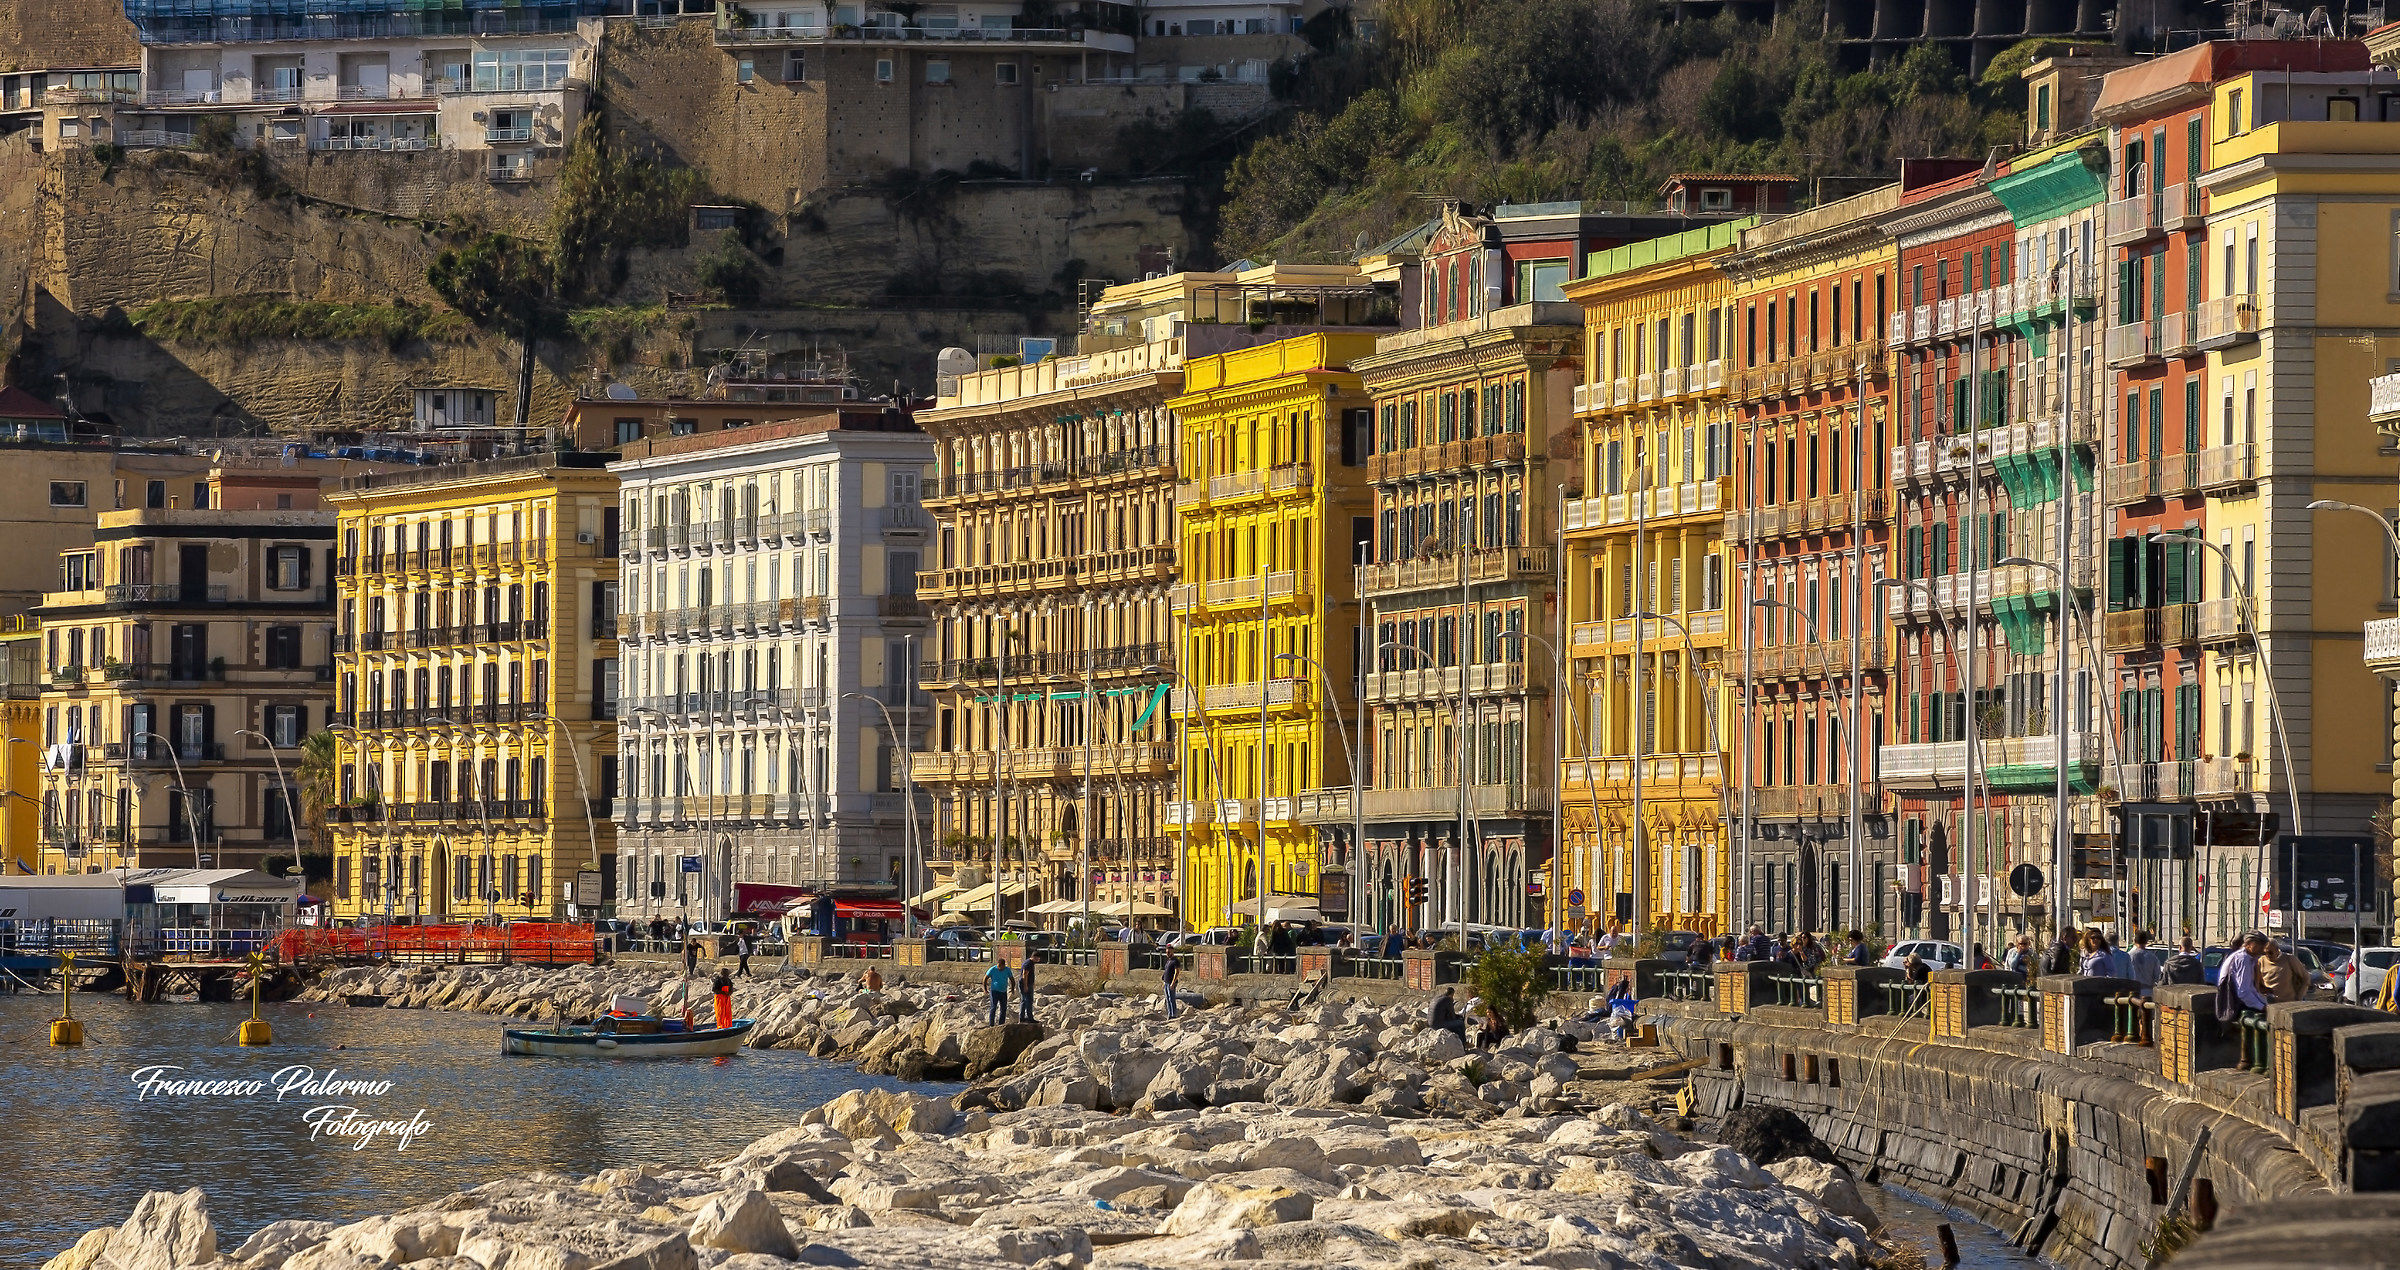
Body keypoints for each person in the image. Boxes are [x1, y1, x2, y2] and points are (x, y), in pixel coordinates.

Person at [2216, 932, 2275, 1024]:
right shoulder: (2243, 959)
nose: (2263, 949)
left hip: (2236, 1005)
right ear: (2249, 944)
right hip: (2236, 1007)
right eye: (2260, 945)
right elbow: (2243, 992)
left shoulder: (2247, 958)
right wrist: (2262, 1007)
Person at [2126, 930, 2163, 996]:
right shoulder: (2153, 957)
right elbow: (2158, 977)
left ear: (2134, 941)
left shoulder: (2129, 956)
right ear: (2146, 941)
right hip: (2148, 991)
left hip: (2133, 992)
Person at [983, 958, 1013, 1025]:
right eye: (998, 966)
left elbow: (1012, 979)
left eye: (1001, 966)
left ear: (1004, 965)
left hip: (1003, 992)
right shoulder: (993, 969)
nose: (999, 968)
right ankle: (991, 1024)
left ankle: (1001, 1024)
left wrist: (1012, 989)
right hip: (994, 991)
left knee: (1003, 1008)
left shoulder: (1007, 970)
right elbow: (985, 978)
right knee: (993, 1007)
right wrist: (985, 989)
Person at [1016, 948, 1038, 1022]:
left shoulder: (1030, 963)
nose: (1038, 960)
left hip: (1028, 983)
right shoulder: (1028, 963)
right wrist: (1025, 986)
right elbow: (1024, 974)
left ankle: (1022, 1018)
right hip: (1025, 983)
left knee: (1024, 1001)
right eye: (1037, 958)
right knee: (1028, 1001)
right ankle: (1029, 1017)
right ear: (1034, 957)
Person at [1160, 948, 1182, 1019]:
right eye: (1166, 952)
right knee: (1167, 999)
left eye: (1169, 952)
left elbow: (1177, 972)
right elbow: (1166, 971)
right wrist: (1163, 980)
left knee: (1171, 998)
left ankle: (1174, 1014)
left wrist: (1173, 982)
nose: (1167, 954)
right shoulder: (1168, 961)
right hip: (1166, 982)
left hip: (1171, 982)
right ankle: (1170, 1014)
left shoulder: (1175, 961)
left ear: (1172, 951)